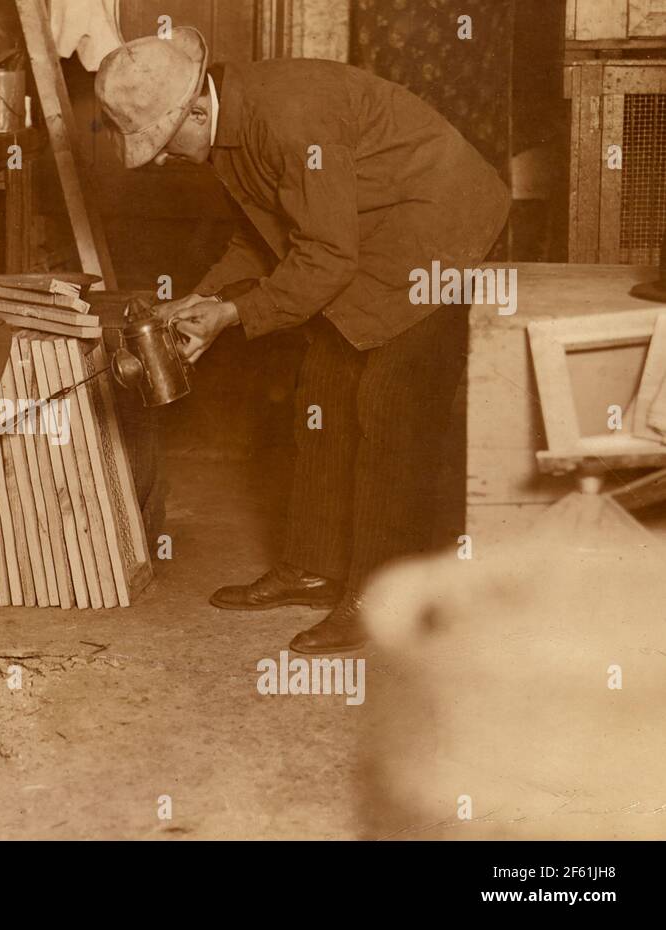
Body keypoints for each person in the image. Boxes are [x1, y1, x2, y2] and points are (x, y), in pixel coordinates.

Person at [94, 29, 509, 653]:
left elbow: (324, 257)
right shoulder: (230, 130)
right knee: (322, 396)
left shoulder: (288, 118)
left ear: (197, 110)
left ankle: (379, 598)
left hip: (438, 231)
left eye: (159, 139)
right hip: (365, 234)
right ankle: (314, 566)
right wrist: (203, 298)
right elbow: (263, 238)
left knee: (388, 409)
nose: (157, 158)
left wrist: (233, 314)